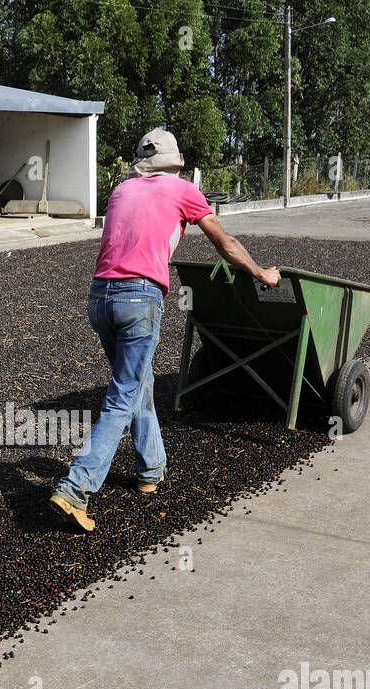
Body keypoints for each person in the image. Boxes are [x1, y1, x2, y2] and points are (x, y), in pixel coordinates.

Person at [50, 128, 282, 532]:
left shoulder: (122, 190)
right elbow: (223, 242)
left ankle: (150, 469)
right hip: (138, 298)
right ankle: (75, 488)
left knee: (139, 383)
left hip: (99, 298)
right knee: (122, 398)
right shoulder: (183, 190)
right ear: (176, 164)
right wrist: (261, 272)